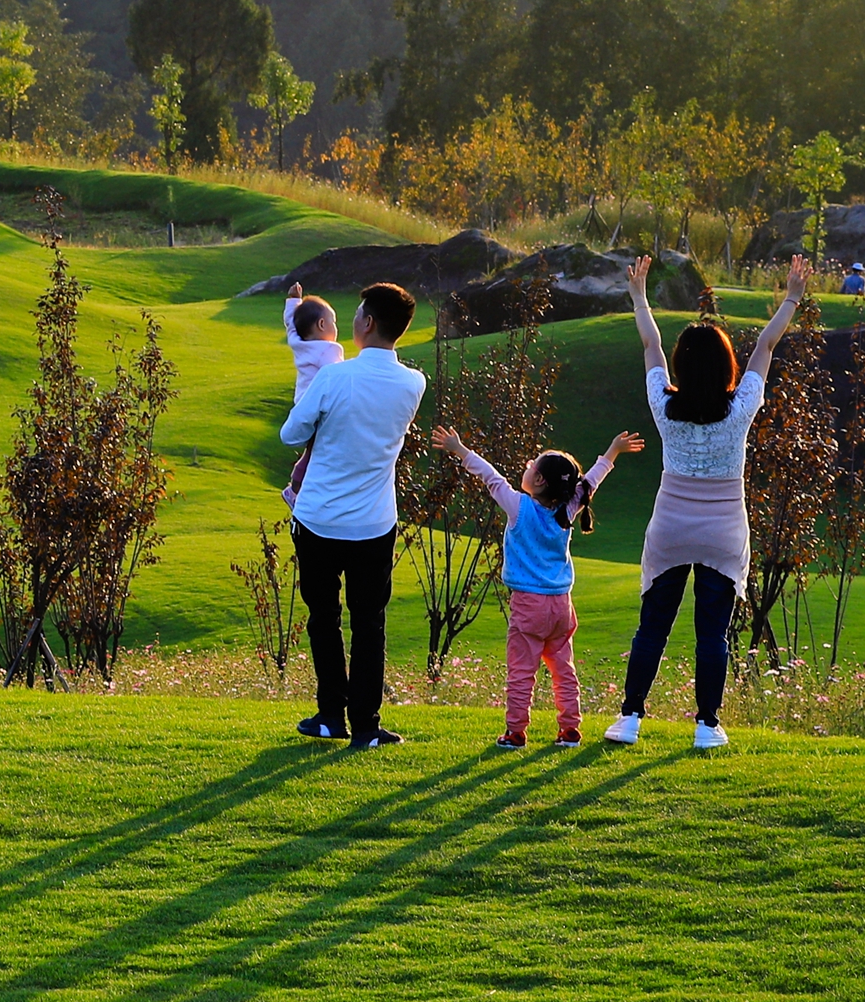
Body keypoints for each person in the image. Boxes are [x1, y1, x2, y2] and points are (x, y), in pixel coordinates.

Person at [605, 252, 812, 750]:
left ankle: (630, 718)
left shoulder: (664, 406)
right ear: (725, 366)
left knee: (653, 627)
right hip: (723, 531)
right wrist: (791, 298)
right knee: (711, 634)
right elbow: (765, 344)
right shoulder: (740, 409)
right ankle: (706, 725)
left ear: (682, 365)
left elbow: (651, 342)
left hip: (671, 527)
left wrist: (638, 296)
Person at [277, 279, 426, 749]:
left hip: (319, 519)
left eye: (358, 312)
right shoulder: (413, 383)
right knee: (369, 623)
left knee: (324, 619)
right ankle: (365, 723)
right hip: (375, 523)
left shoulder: (334, 377)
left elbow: (291, 433)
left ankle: (329, 716)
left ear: (367, 323)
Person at [434, 422, 646, 749]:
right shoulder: (568, 508)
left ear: (539, 480)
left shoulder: (519, 507)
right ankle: (570, 730)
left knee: (521, 672)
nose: (528, 466)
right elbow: (591, 480)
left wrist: (460, 449)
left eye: (533, 464)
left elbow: (490, 477)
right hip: (562, 605)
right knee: (564, 671)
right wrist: (613, 450)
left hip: (528, 606)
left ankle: (516, 732)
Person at [278, 280, 343, 510]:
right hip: (318, 409)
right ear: (323, 324)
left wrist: (293, 300)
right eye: (333, 323)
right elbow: (338, 376)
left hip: (302, 402)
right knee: (314, 454)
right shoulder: (327, 350)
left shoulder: (299, 342)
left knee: (312, 451)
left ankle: (297, 489)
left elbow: (290, 324)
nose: (336, 328)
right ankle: (294, 491)